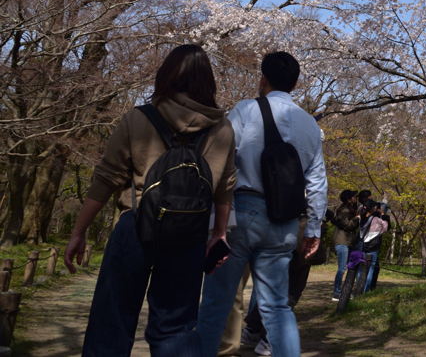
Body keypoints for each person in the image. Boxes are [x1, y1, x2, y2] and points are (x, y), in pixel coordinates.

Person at [64, 44, 237, 357]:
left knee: (111, 323)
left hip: (135, 226)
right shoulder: (222, 128)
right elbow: (224, 187)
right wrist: (219, 235)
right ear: (208, 82)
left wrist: (79, 231)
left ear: (166, 76)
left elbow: (107, 179)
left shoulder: (139, 118)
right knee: (176, 328)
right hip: (190, 235)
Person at [196, 51, 328, 357]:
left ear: (263, 78)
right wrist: (314, 229)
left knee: (217, 303)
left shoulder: (244, 110)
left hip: (241, 213)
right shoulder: (310, 126)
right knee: (277, 309)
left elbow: (220, 163)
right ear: (295, 85)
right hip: (284, 223)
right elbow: (317, 183)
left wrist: (214, 223)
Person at [329, 190, 360, 301]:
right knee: (341, 268)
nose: (355, 197)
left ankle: (344, 291)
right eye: (353, 196)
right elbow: (347, 225)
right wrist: (358, 218)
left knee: (348, 268)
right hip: (342, 242)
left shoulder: (349, 209)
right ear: (349, 199)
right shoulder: (345, 210)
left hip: (348, 242)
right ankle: (336, 293)